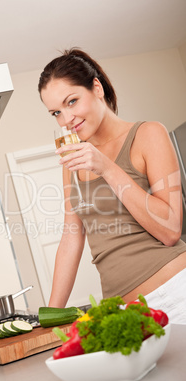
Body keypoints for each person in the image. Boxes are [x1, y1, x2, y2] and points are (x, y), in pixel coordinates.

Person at [38, 48, 186, 324]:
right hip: (122, 313)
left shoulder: (148, 134)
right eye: (56, 112)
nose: (66, 120)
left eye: (72, 102)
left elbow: (170, 230)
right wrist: (51, 319)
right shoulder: (75, 160)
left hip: (176, 295)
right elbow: (72, 237)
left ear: (96, 88)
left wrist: (106, 167)